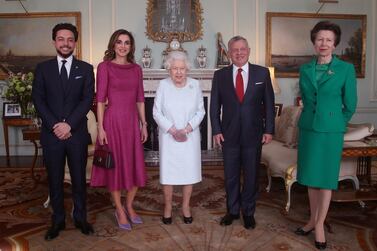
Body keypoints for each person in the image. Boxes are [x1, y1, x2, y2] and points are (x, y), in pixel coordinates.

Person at [294, 21, 357, 250]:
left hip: (330, 132)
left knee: (326, 179)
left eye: (328, 40)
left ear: (335, 44)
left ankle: (320, 224)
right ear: (314, 41)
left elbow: (350, 105)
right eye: (320, 39)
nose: (324, 43)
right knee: (311, 177)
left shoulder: (345, 69)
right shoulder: (305, 69)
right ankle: (311, 219)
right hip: (309, 129)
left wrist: (335, 122)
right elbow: (307, 99)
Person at [32, 23, 95, 240]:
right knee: (55, 180)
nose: (65, 43)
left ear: (75, 43)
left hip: (76, 133)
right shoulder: (43, 69)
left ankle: (80, 217)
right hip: (52, 135)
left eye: (69, 39)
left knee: (79, 179)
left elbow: (87, 99)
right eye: (61, 39)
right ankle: (57, 219)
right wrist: (55, 125)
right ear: (54, 42)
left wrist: (69, 124)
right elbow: (38, 100)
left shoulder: (86, 69)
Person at [210, 35, 275, 230]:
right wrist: (216, 130)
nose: (239, 53)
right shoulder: (220, 75)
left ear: (248, 51)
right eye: (235, 50)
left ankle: (248, 212)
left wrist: (269, 130)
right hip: (228, 134)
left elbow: (269, 106)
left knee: (251, 175)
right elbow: (214, 106)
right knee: (230, 175)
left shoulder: (262, 74)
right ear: (229, 53)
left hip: (253, 134)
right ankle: (232, 210)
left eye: (242, 49)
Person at [90, 29, 148, 231]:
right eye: (119, 42)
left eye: (127, 43)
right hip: (112, 122)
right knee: (114, 169)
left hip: (132, 124)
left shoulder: (136, 69)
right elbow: (100, 100)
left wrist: (144, 124)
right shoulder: (104, 67)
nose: (123, 46)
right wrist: (101, 127)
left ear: (131, 47)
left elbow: (140, 99)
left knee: (135, 165)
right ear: (113, 45)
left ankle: (129, 205)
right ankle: (119, 209)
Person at [153, 51, 205, 225]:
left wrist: (187, 129)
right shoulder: (163, 85)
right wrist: (173, 130)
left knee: (188, 172)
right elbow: (156, 112)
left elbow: (201, 111)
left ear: (187, 69)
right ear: (169, 69)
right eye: (175, 68)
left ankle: (185, 207)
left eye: (182, 68)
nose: (179, 72)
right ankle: (167, 207)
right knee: (168, 174)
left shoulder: (195, 85)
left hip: (189, 137)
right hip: (169, 137)